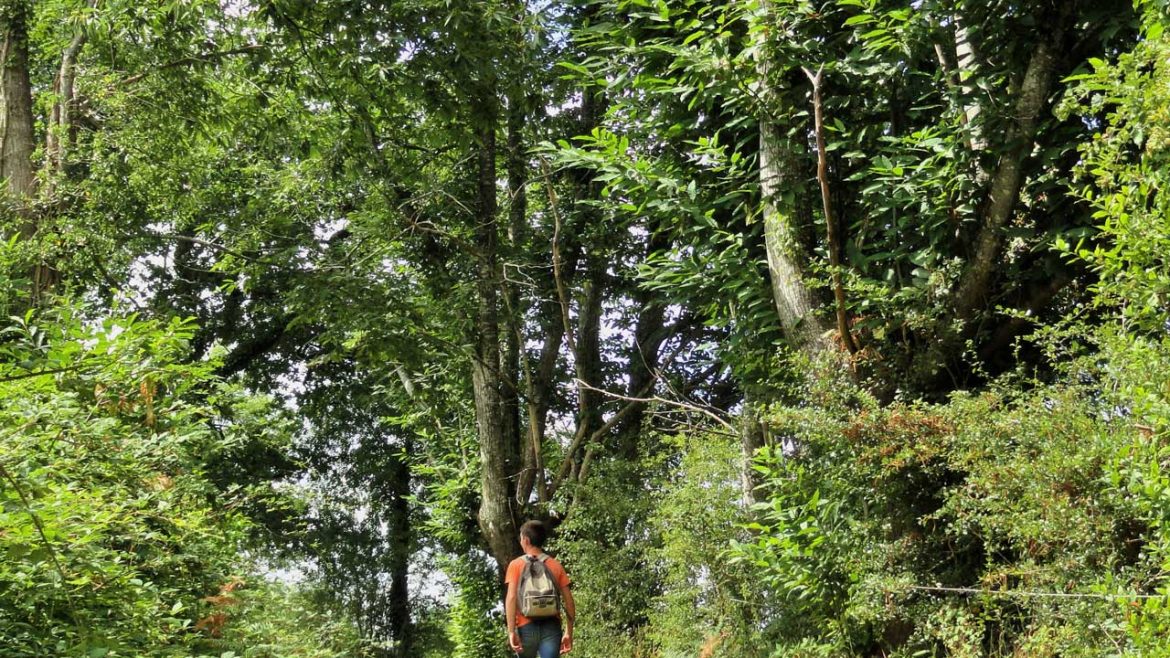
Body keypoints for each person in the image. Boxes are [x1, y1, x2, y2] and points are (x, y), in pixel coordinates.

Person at [505, 520, 575, 657]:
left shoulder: (515, 565)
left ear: (525, 540)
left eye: (521, 539)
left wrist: (511, 631)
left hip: (526, 627)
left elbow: (511, 598)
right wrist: (569, 632)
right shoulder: (555, 565)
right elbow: (569, 601)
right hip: (551, 627)